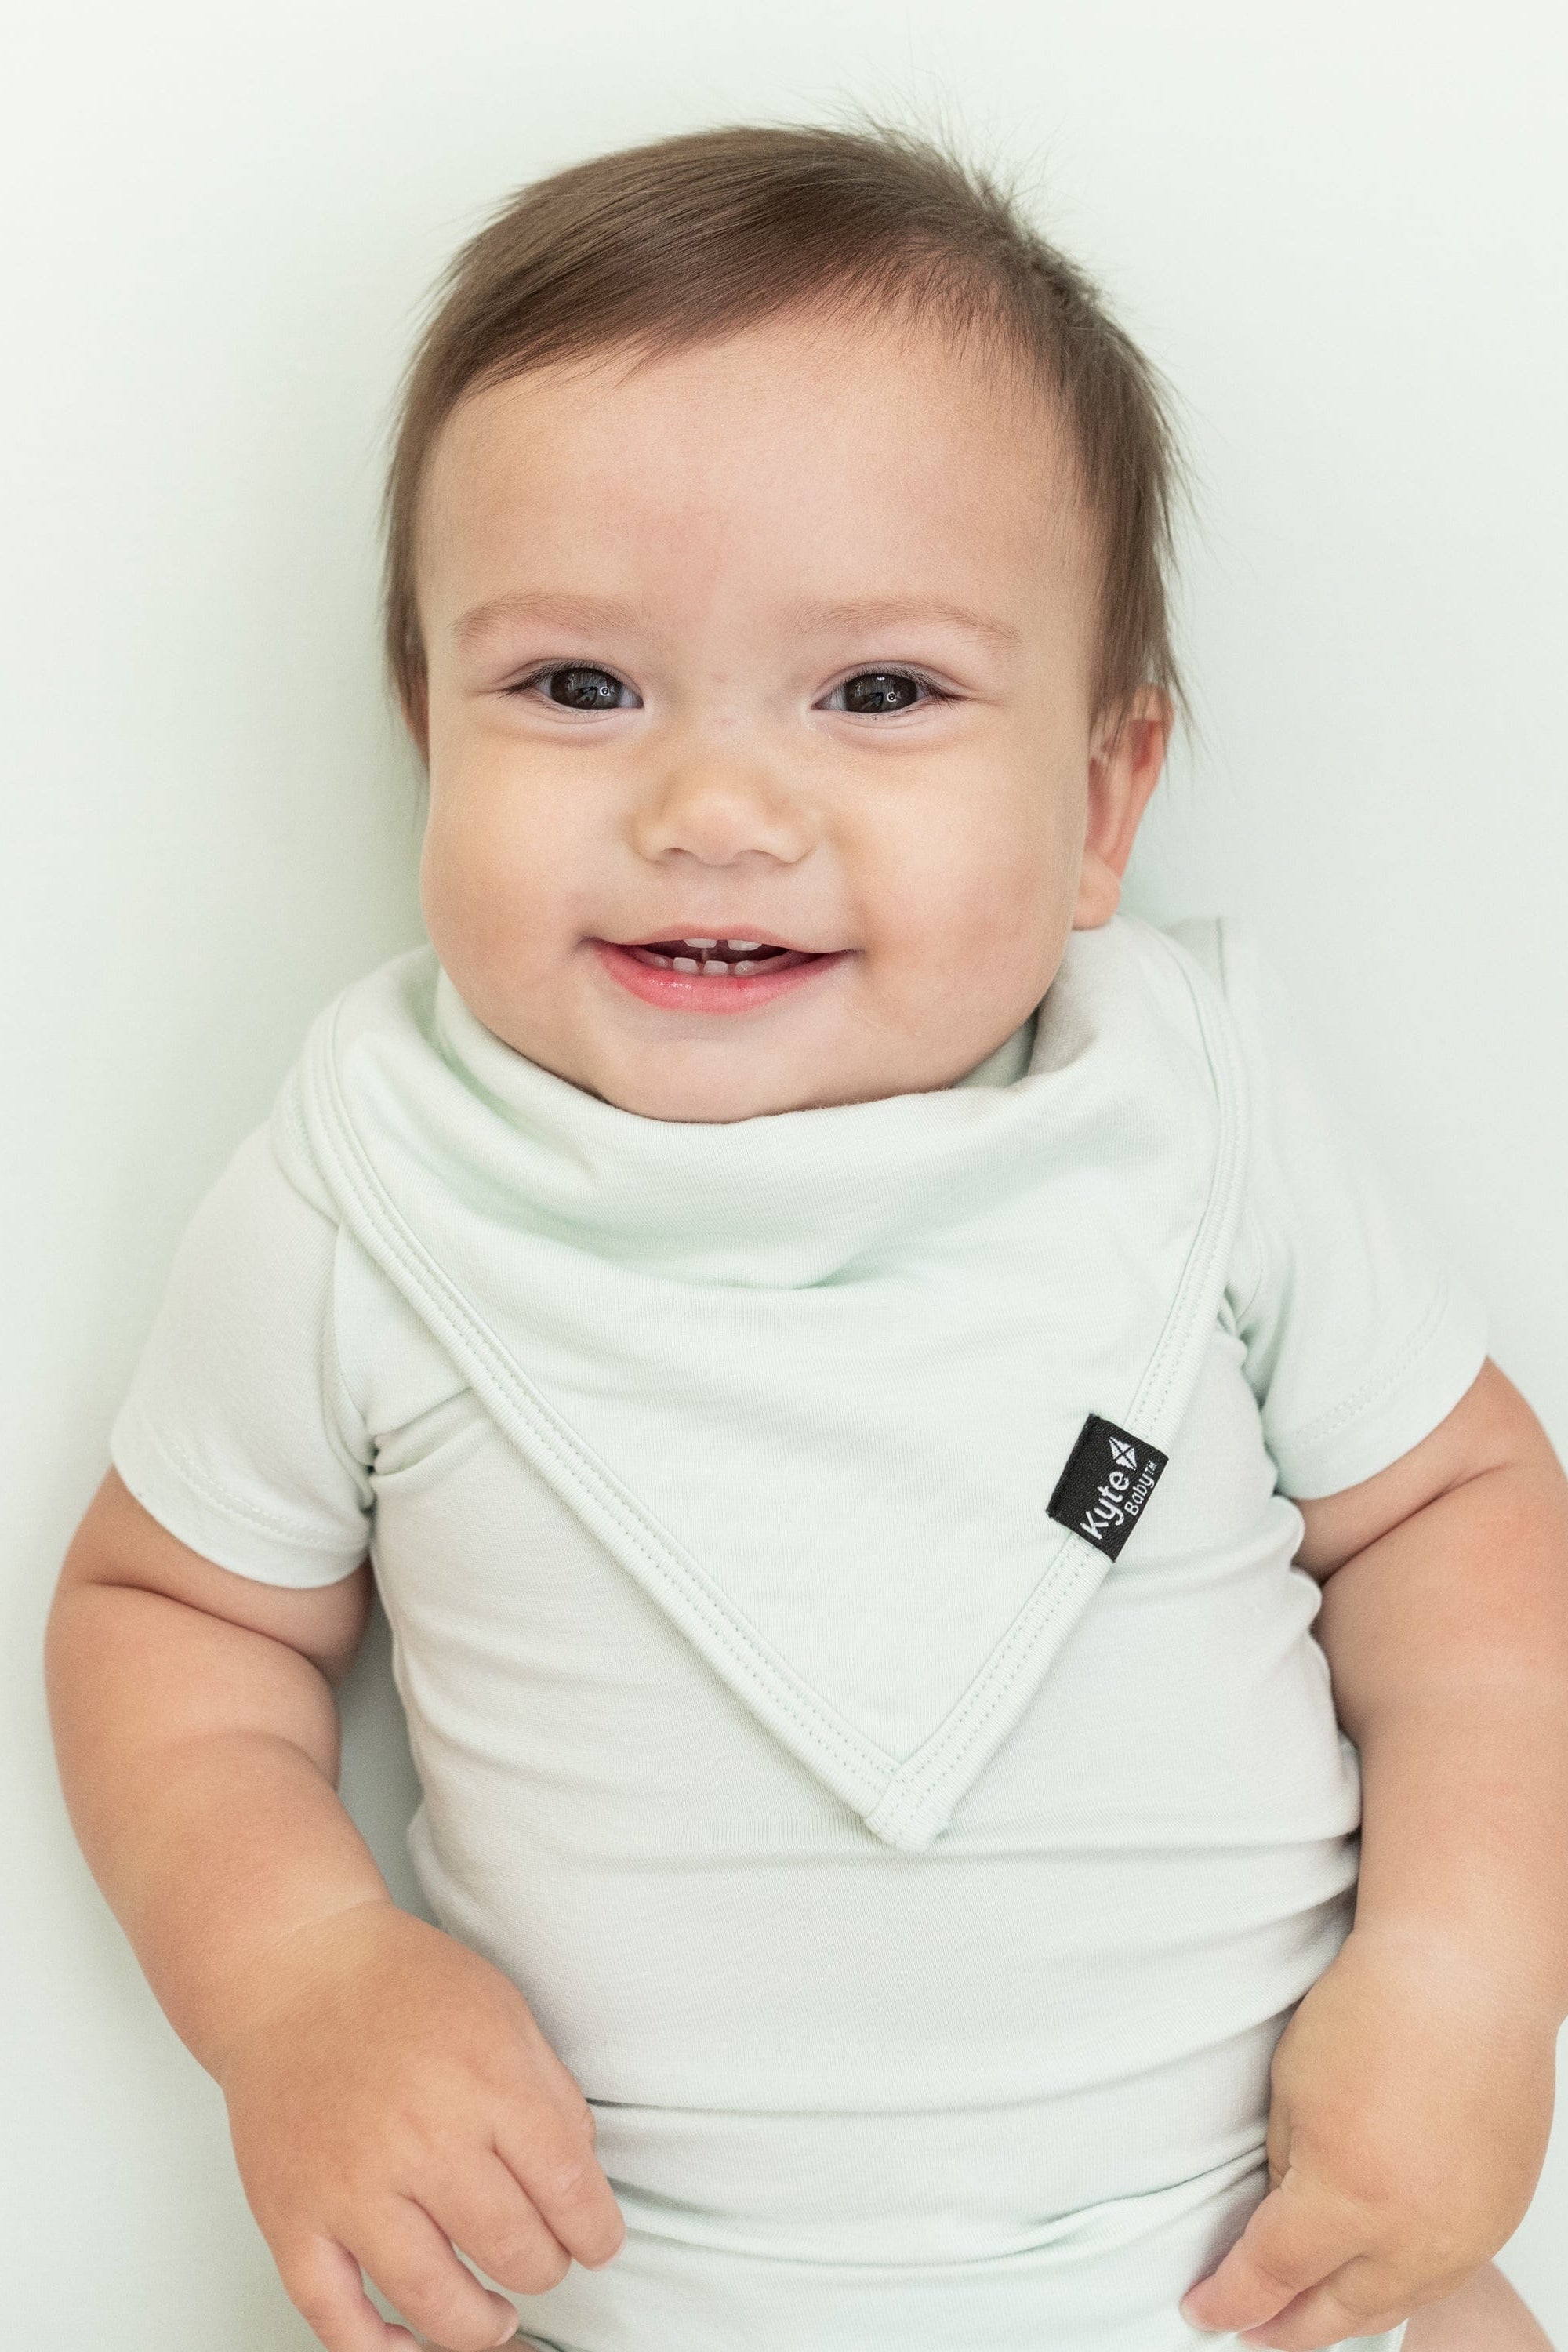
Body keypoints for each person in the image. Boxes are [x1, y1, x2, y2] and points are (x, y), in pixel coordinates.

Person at [44, 122, 1568, 2352]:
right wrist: (297, 1977)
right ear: (423, 738)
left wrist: (1469, 1974)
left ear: (1102, 801)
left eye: (880, 693)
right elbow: (169, 1615)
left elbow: (1457, 1513)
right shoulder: (368, 1180)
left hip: (1259, 2272)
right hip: (609, 2295)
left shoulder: (1194, 1113)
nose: (715, 811)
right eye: (576, 688)